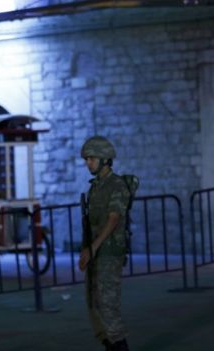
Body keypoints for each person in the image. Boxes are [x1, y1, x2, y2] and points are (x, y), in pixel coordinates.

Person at [79, 136, 131, 351]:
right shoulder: (95, 187)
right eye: (87, 159)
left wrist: (93, 248)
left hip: (109, 252)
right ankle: (110, 345)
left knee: (108, 305)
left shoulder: (117, 185)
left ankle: (120, 347)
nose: (88, 163)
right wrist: (87, 249)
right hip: (96, 252)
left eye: (91, 159)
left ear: (105, 160)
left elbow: (113, 218)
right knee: (94, 304)